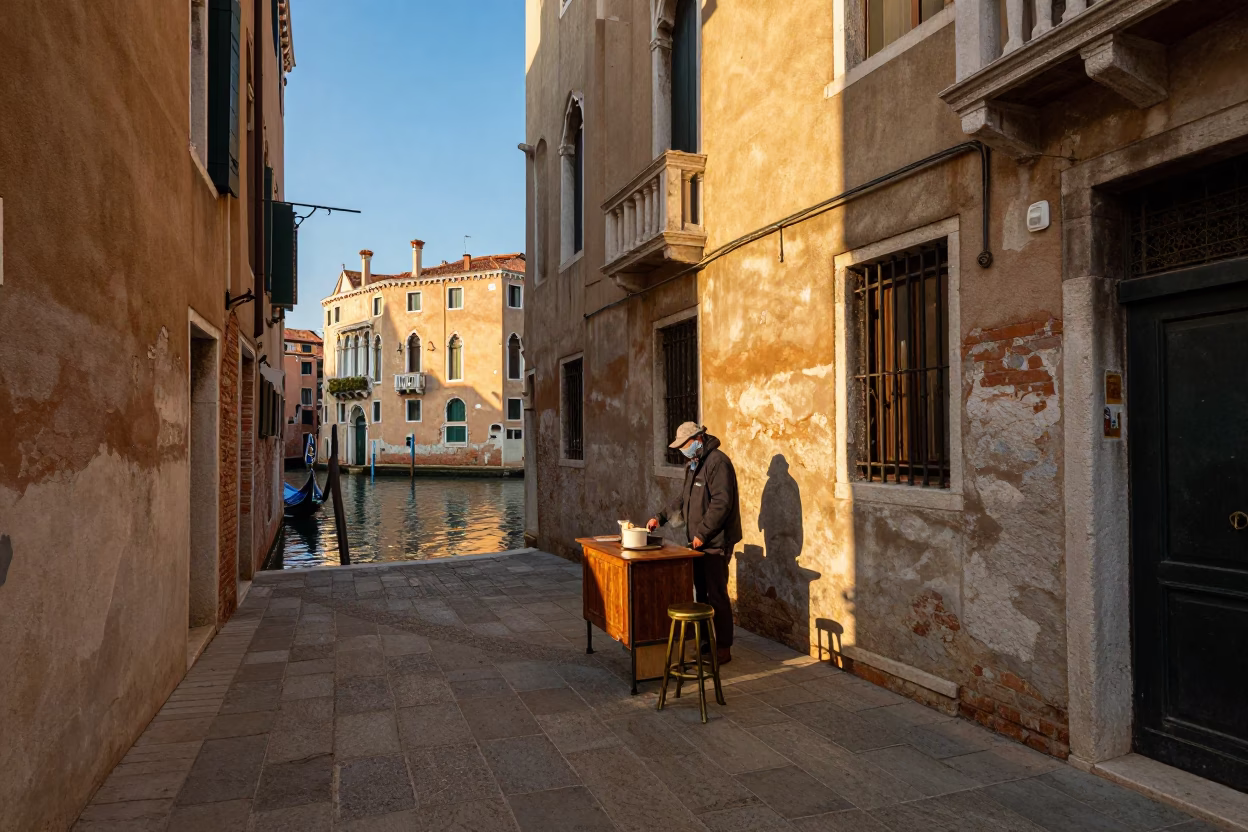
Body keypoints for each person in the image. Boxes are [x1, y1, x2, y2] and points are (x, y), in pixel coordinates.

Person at [648, 422, 741, 665]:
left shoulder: (718, 462)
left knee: (717, 594)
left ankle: (723, 648)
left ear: (699, 438)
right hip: (697, 543)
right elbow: (683, 498)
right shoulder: (694, 464)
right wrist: (660, 518)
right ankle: (706, 642)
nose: (683, 450)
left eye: (685, 445)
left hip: (714, 542)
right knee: (702, 594)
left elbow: (722, 503)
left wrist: (703, 533)